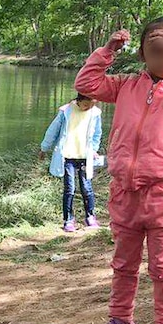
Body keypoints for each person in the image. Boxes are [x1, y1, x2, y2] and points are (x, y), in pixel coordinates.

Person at [74, 17, 163, 324]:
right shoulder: (126, 85)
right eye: (154, 51)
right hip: (124, 192)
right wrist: (108, 51)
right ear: (143, 54)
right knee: (124, 264)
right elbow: (86, 83)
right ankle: (120, 322)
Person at [39, 94, 103, 232]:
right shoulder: (66, 111)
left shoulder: (95, 113)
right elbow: (53, 131)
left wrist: (94, 150)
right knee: (70, 189)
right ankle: (68, 219)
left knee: (87, 188)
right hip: (68, 156)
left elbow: (97, 133)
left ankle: (90, 216)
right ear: (79, 101)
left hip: (85, 157)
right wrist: (44, 148)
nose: (88, 108)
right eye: (86, 105)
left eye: (92, 105)